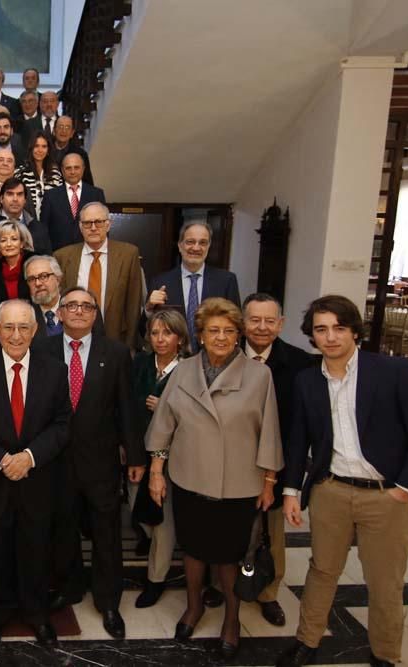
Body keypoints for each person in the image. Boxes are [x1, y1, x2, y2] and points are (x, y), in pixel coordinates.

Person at [276, 295, 408, 667]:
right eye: (321, 329)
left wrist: (404, 489)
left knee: (385, 582)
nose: (330, 337)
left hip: (385, 496)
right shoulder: (307, 380)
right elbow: (297, 438)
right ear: (312, 335)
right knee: (322, 570)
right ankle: (308, 640)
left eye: (339, 327)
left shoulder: (392, 372)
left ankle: (385, 654)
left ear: (354, 331)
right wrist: (291, 490)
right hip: (331, 490)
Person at [146, 297, 283, 662]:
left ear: (238, 335)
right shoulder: (184, 371)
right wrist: (156, 473)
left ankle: (232, 621)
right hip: (189, 478)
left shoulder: (259, 375)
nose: (220, 337)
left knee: (230, 557)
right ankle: (193, 608)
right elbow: (164, 426)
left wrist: (269, 481)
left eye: (228, 331)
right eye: (212, 331)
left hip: (238, 484)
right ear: (200, 335)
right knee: (192, 550)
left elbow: (269, 430)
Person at [0, 299, 71, 648]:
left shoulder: (54, 369)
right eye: (8, 327)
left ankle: (37, 614)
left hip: (37, 480)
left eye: (24, 327)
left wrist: (30, 457)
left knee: (35, 550)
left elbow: (63, 424)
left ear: (35, 331)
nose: (16, 335)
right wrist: (5, 459)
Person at [41, 286, 141, 639]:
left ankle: (109, 601)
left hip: (101, 461)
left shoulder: (114, 353)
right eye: (72, 306)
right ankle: (70, 587)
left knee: (106, 533)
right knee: (63, 528)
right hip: (56, 461)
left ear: (95, 314)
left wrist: (135, 454)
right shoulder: (43, 348)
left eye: (87, 306)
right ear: (61, 313)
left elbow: (126, 408)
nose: (80, 311)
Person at [240, 293, 316, 627]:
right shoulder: (221, 355)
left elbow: (302, 426)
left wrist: (288, 482)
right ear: (243, 322)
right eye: (254, 319)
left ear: (280, 324)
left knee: (271, 533)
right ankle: (224, 584)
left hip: (276, 463)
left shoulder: (300, 364)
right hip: (230, 462)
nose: (261, 327)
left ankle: (268, 593)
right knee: (228, 528)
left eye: (269, 320)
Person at [129, 309, 189, 609]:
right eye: (154, 333)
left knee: (163, 523)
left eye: (167, 333)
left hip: (174, 457)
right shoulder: (140, 363)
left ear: (180, 337)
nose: (160, 339)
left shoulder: (190, 369)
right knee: (137, 509)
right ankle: (149, 540)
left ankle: (155, 579)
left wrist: (164, 408)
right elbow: (126, 403)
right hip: (138, 451)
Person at [54, 202, 143, 347]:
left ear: (108, 225)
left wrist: (130, 346)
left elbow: (133, 304)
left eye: (99, 222)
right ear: (80, 227)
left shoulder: (128, 254)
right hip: (73, 337)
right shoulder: (62, 256)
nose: (93, 228)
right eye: (88, 223)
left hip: (115, 338)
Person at [146, 220, 241, 349]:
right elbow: (144, 330)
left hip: (213, 359)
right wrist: (149, 309)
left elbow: (236, 325)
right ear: (180, 246)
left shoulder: (226, 281)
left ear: (209, 246)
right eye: (190, 242)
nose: (196, 248)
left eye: (202, 243)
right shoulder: (161, 282)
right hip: (175, 360)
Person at [0, 177, 51, 260]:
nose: (15, 199)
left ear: (25, 200)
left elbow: (47, 262)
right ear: (1, 199)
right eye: (10, 194)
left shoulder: (40, 229)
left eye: (19, 194)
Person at [41, 152, 106, 251]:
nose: (72, 172)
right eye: (68, 168)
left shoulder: (96, 194)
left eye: (76, 168)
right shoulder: (50, 196)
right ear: (62, 171)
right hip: (58, 255)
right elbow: (44, 230)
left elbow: (103, 227)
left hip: (89, 252)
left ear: (83, 169)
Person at [0, 220, 36, 303]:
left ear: (22, 243)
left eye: (14, 239)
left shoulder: (34, 264)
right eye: (3, 240)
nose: (9, 244)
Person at [15, 131, 63, 216]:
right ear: (31, 148)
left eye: (44, 146)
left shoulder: (56, 174)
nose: (40, 150)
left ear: (48, 150)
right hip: (26, 222)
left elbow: (60, 201)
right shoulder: (20, 173)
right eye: (36, 146)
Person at [51, 116, 95, 185]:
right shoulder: (45, 150)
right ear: (54, 131)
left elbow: (87, 182)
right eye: (60, 127)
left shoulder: (80, 154)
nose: (64, 131)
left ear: (72, 133)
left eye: (67, 128)